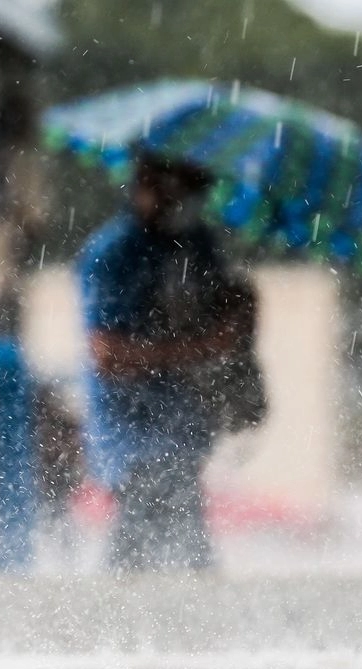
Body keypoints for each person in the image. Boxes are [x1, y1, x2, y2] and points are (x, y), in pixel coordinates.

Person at [77, 153, 265, 570]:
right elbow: (107, 355)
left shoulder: (195, 239)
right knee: (169, 553)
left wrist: (240, 307)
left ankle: (124, 621)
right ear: (149, 181)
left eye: (201, 188)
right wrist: (202, 347)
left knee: (171, 550)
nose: (193, 199)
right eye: (186, 185)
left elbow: (214, 308)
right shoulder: (112, 254)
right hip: (133, 434)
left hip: (184, 423)